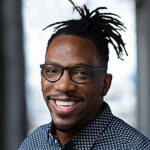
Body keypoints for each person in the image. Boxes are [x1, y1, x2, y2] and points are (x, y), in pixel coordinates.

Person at [19, 0, 150, 149]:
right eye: (52, 71)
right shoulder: (33, 143)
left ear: (105, 84)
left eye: (80, 73)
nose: (63, 86)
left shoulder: (136, 147)